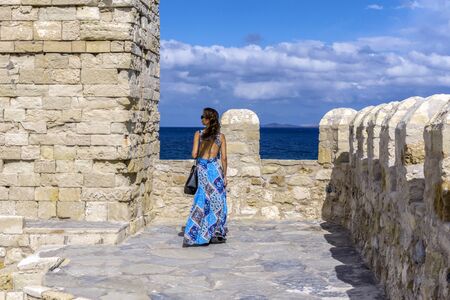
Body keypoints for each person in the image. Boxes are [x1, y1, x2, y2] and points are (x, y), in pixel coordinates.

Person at [182, 108, 228, 247]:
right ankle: (215, 233)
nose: (201, 119)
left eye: (203, 116)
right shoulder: (221, 137)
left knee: (202, 200)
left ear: (208, 119)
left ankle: (196, 234)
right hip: (215, 169)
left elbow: (194, 154)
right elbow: (224, 158)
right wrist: (225, 176)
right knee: (218, 201)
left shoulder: (199, 134)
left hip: (202, 169)